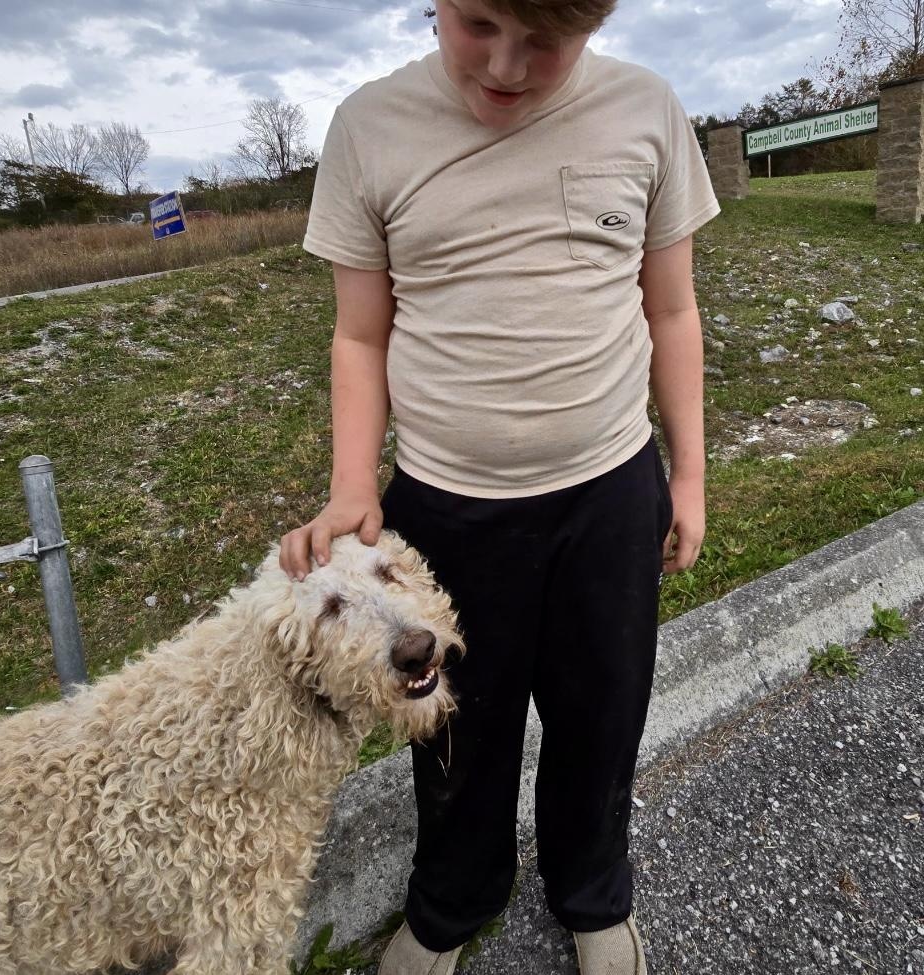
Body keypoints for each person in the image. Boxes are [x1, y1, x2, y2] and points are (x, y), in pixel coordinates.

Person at [280, 0, 720, 971]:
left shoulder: (649, 112)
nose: (509, 66)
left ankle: (594, 892)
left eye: (548, 41)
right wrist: (354, 480)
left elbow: (674, 310)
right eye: (479, 22)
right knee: (454, 731)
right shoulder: (369, 127)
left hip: (609, 493)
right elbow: (360, 334)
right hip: (448, 512)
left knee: (603, 713)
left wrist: (685, 474)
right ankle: (451, 900)